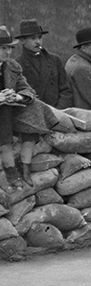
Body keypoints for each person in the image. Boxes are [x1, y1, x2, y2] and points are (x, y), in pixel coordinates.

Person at [0, 27, 36, 189]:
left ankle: (12, 171)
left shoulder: (12, 67)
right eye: (3, 48)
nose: (8, 52)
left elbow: (28, 90)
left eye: (9, 48)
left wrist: (17, 96)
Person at [13, 19, 71, 108]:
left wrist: (59, 111)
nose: (38, 41)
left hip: (59, 114)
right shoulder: (16, 65)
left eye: (40, 37)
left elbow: (66, 90)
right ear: (22, 41)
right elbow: (17, 95)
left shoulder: (55, 60)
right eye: (33, 38)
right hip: (32, 115)